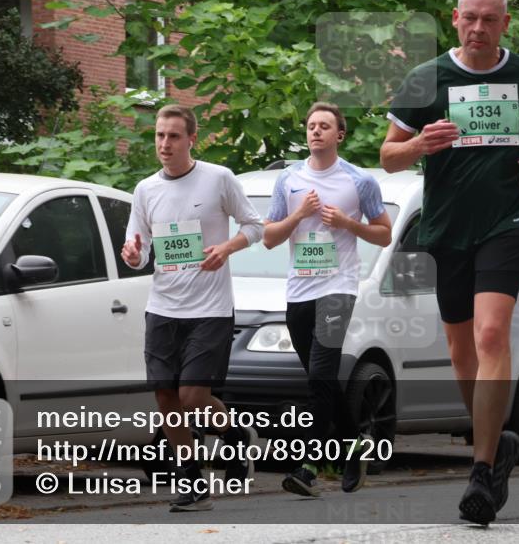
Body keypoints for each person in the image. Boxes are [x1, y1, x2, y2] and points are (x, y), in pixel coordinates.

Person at [380, 0, 519, 525]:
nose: (479, 27)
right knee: (462, 351)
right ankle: (497, 442)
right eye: (470, 17)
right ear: (455, 18)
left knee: (491, 334)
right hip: (447, 227)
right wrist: (419, 143)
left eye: (490, 18)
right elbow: (389, 156)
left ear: (504, 22)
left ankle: (482, 473)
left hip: (508, 221)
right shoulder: (426, 78)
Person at [122, 104, 264, 512]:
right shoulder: (146, 189)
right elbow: (140, 248)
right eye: (159, 136)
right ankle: (191, 479)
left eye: (173, 136)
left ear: (191, 139)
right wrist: (133, 254)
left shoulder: (218, 179)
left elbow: (255, 226)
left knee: (192, 395)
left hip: (210, 308)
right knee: (165, 394)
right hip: (163, 306)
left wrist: (227, 247)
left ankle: (235, 435)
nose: (164, 144)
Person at [264, 102, 393, 497]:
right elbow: (269, 237)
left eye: (324, 126)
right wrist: (298, 214)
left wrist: (348, 223)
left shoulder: (359, 181)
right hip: (299, 291)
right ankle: (353, 447)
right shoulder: (288, 180)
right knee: (321, 381)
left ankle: (307, 467)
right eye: (311, 125)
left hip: (338, 289)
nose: (316, 131)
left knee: (321, 375)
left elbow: (384, 234)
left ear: (340, 134)